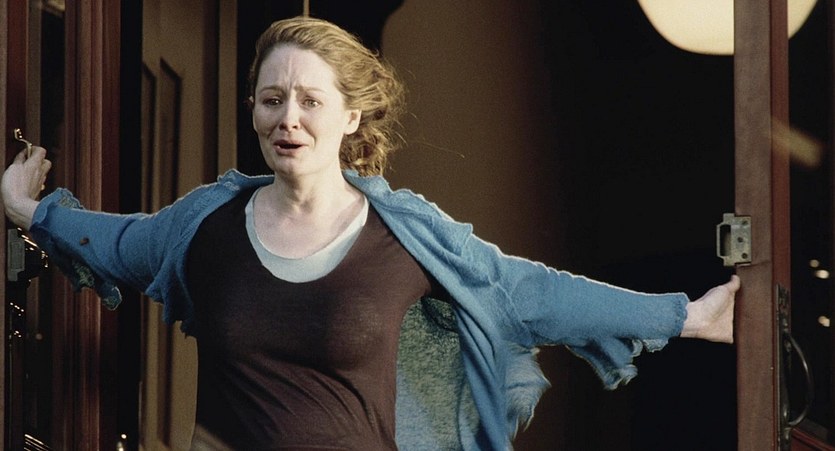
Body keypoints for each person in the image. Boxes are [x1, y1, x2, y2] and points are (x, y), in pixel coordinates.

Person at [1, 16, 739, 451]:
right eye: (271, 99)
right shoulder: (204, 224)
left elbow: (529, 291)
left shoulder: (403, 234)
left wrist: (686, 315)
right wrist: (31, 212)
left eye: (310, 101)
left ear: (350, 116)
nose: (288, 118)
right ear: (254, 110)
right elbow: (120, 243)